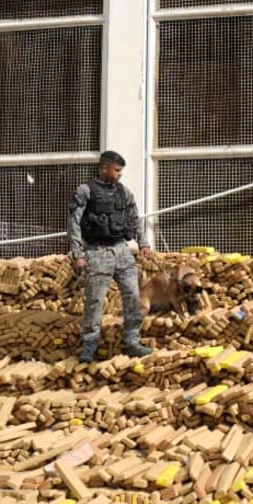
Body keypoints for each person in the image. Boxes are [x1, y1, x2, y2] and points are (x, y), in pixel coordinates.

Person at [68, 150, 154, 363]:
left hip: (122, 250)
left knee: (133, 297)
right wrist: (77, 254)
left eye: (120, 171)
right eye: (116, 170)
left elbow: (135, 218)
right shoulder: (85, 191)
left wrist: (143, 243)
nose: (119, 174)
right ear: (104, 168)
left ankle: (132, 341)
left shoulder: (124, 192)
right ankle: (89, 346)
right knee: (95, 301)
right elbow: (74, 223)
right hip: (97, 252)